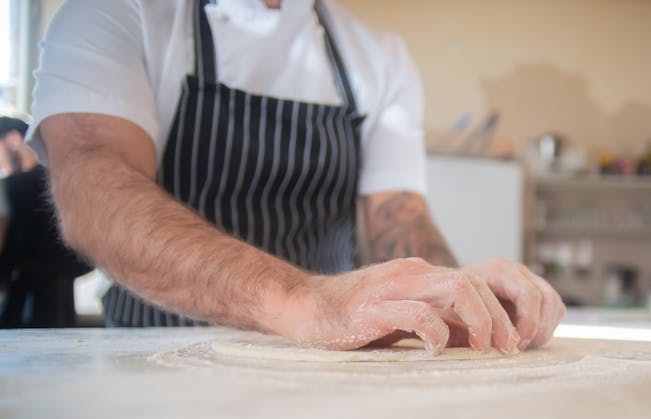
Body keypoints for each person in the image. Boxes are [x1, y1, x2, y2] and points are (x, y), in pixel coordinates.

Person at [28, 0, 565, 354]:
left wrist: (452, 288)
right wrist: (305, 302)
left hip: (326, 375)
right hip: (155, 363)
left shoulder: (377, 56)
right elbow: (95, 194)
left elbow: (400, 216)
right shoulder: (115, 15)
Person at [0, 116, 91, 327]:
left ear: (13, 139)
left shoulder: (17, 186)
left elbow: (13, 244)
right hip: (61, 297)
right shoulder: (66, 178)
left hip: (27, 300)